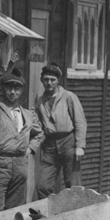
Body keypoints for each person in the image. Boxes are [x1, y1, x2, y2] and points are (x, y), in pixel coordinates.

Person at [0, 70, 40, 212]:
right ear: (3, 88)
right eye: (9, 87)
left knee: (15, 210)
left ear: (22, 90)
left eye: (16, 88)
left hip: (20, 165)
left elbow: (39, 134)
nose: (12, 92)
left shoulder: (28, 114)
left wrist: (30, 149)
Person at [34, 63, 88, 196]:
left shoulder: (69, 97)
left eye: (52, 80)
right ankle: (49, 214)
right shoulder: (40, 100)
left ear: (58, 81)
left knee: (73, 183)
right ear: (41, 80)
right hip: (50, 144)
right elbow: (37, 121)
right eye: (46, 79)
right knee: (42, 185)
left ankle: (75, 214)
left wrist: (80, 145)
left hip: (68, 142)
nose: (49, 83)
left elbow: (80, 121)